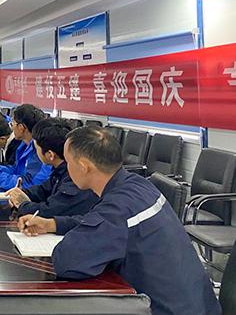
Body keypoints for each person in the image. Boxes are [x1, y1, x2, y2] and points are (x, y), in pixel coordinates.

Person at [19, 126, 221, 315]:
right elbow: (102, 225)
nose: (67, 167)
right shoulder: (137, 185)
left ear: (83, 166)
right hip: (198, 304)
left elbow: (67, 261)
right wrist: (53, 224)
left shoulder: (117, 209)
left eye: (69, 162)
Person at [4, 118, 98, 217]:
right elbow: (43, 190)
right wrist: (22, 193)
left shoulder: (74, 176)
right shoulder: (59, 170)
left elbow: (50, 211)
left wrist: (22, 205)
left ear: (50, 155)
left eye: (36, 148)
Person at [0, 104, 51, 190]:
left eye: (12, 123)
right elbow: (15, 169)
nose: (11, 128)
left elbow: (28, 183)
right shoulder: (24, 145)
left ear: (21, 127)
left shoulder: (39, 150)